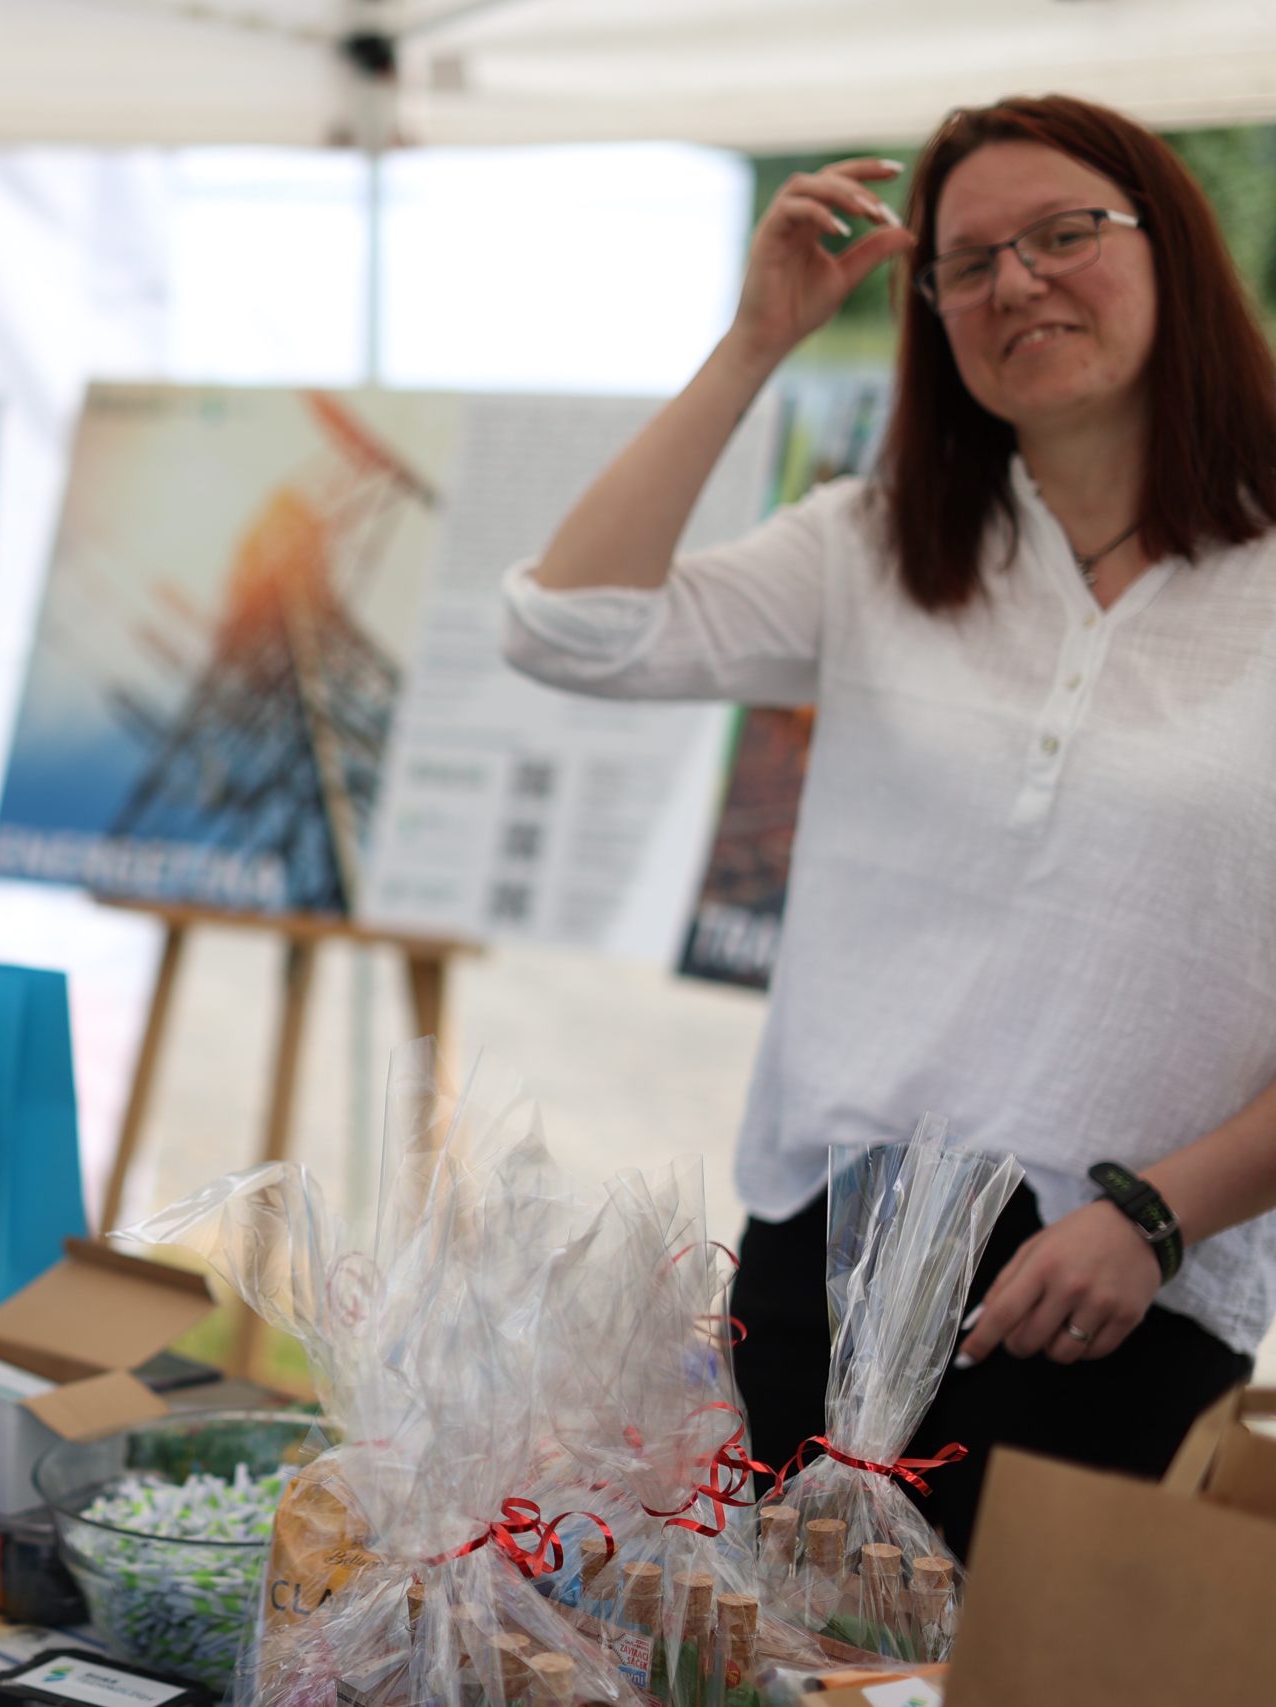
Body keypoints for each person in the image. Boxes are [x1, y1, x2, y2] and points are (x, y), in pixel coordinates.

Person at [500, 93, 1276, 1558]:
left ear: (1171, 250)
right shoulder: (874, 543)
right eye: (968, 264)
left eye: (1064, 234)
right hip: (823, 1264)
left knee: (1043, 1666)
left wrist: (1160, 1214)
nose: (1016, 282)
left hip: (1118, 1290)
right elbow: (566, 629)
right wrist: (754, 344)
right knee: (780, 1657)